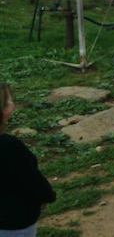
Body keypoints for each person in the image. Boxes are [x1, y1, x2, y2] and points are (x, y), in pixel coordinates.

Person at [0, 82, 56, 237]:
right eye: (8, 101)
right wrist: (47, 196)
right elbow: (31, 179)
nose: (13, 103)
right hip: (13, 223)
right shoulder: (9, 147)